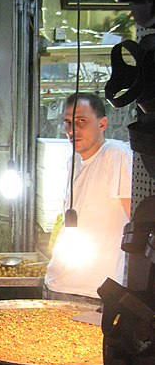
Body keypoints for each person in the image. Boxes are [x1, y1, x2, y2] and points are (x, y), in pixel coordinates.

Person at [44, 92, 132, 303]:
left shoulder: (115, 154)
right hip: (56, 283)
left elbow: (135, 217)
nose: (72, 130)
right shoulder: (73, 161)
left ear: (102, 124)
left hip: (90, 291)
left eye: (81, 121)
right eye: (67, 123)